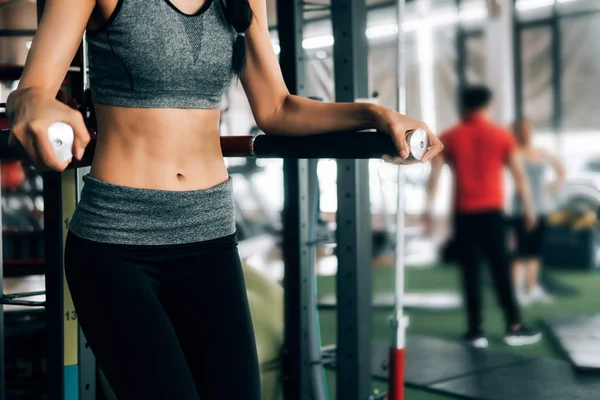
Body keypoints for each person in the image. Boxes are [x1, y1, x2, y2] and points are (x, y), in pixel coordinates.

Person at [5, 0, 443, 398]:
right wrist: (38, 108)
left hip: (210, 240)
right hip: (117, 246)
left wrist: (375, 114)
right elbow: (30, 92)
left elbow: (278, 109)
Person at [425, 85, 541, 348]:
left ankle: (475, 332)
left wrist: (428, 211)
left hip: (463, 214)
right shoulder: (501, 135)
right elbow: (519, 176)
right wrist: (529, 209)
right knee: (501, 269)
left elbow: (435, 176)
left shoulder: (449, 136)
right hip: (492, 214)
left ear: (463, 106)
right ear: (488, 106)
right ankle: (514, 326)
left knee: (470, 272)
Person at [510, 117, 565, 305]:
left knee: (535, 251)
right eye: (521, 130)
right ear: (517, 132)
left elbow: (561, 170)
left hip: (541, 207)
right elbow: (519, 182)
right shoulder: (515, 153)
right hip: (521, 210)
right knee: (521, 252)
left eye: (528, 129)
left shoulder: (541, 152)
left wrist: (553, 185)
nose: (526, 133)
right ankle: (514, 292)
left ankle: (531, 288)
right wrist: (528, 209)